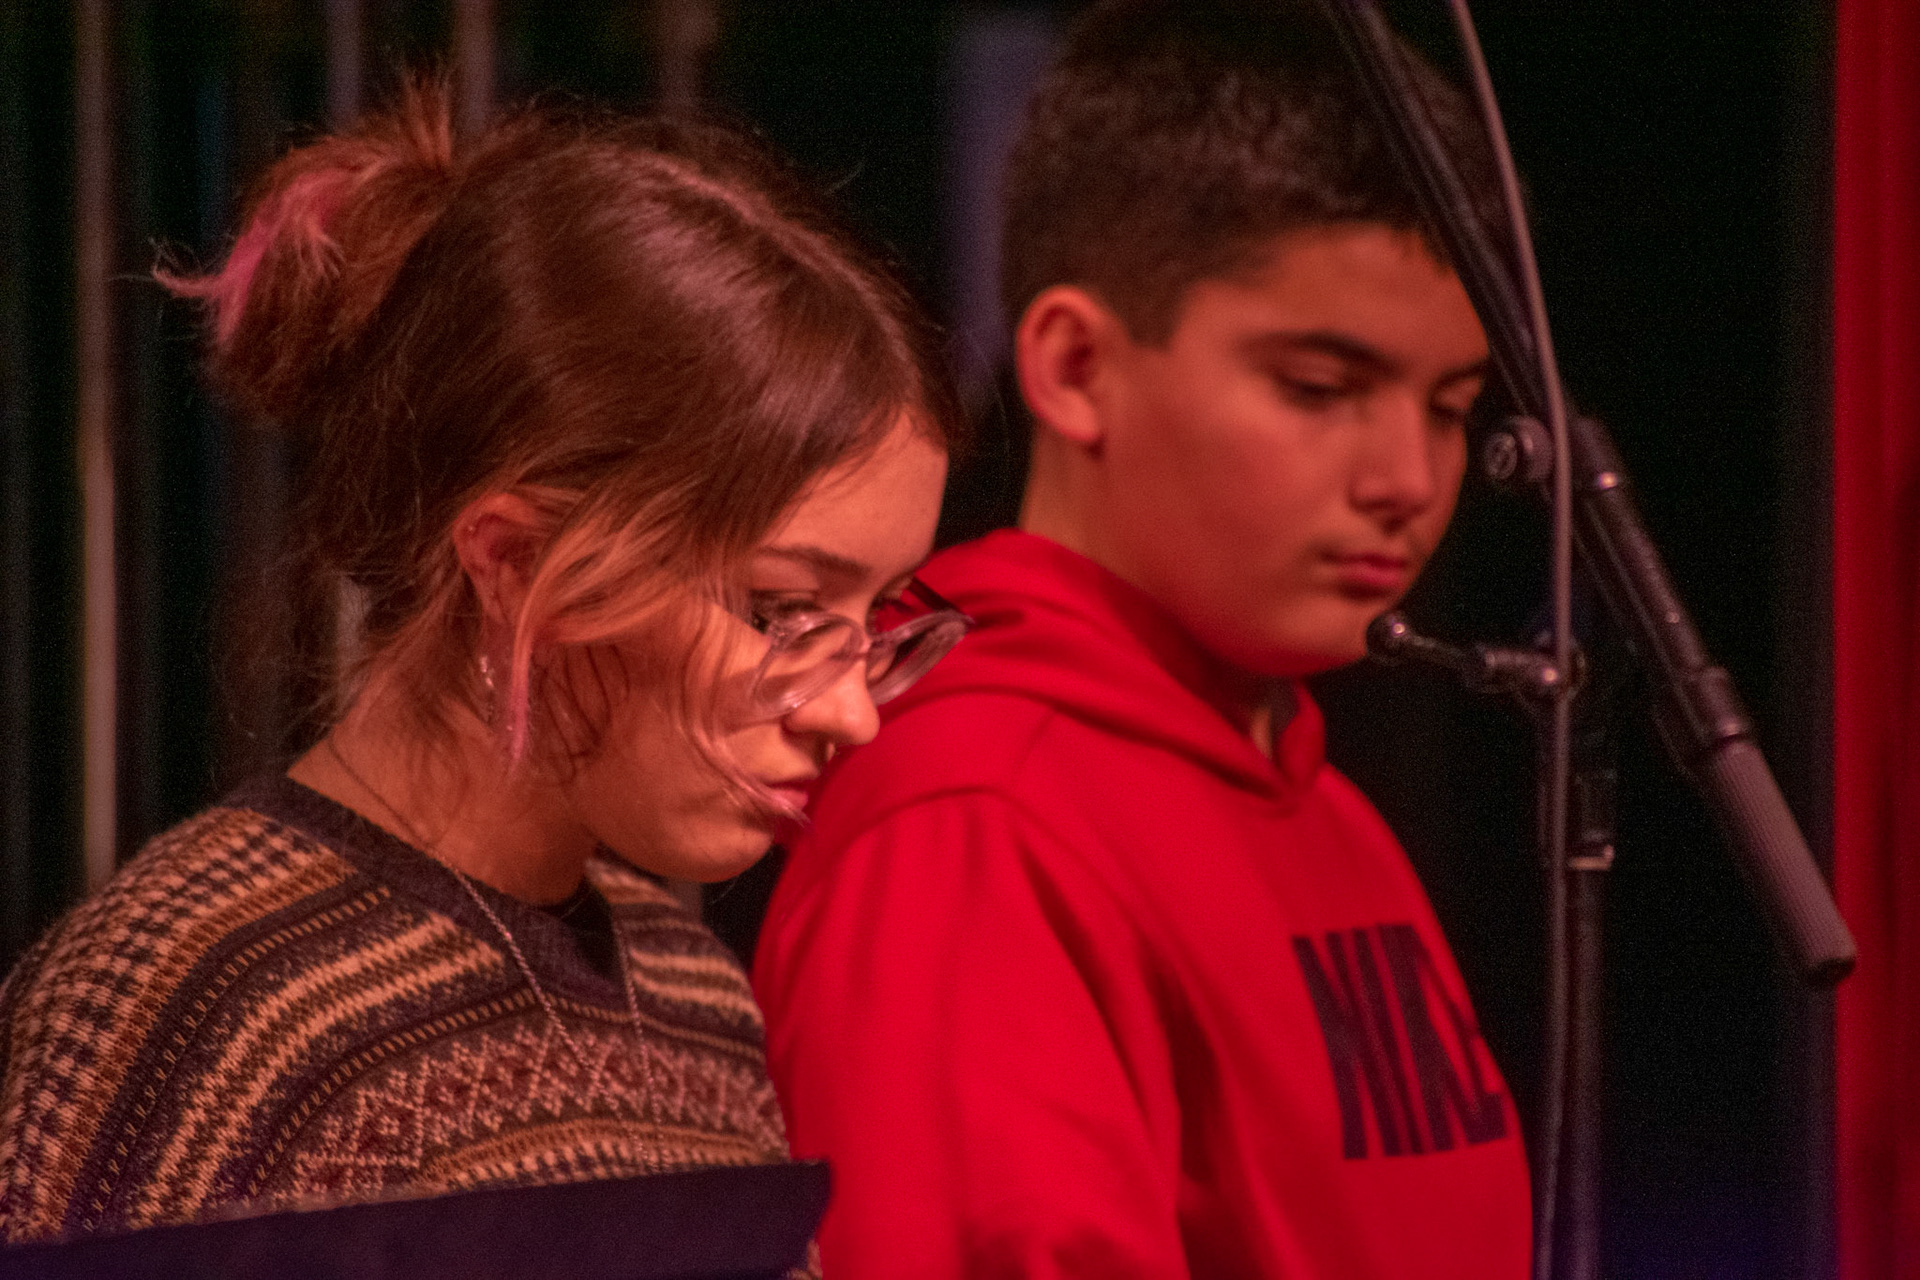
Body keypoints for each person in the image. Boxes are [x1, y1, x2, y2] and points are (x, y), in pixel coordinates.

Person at [0, 83, 969, 1243]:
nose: (854, 710)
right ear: (511, 558)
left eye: (876, 617)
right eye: (781, 609)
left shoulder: (692, 994)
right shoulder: (202, 1006)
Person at [751, 1, 1532, 1274]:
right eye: (1320, 388)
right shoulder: (972, 820)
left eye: (1450, 405)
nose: (1408, 476)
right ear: (1074, 366)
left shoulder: (1318, 801)